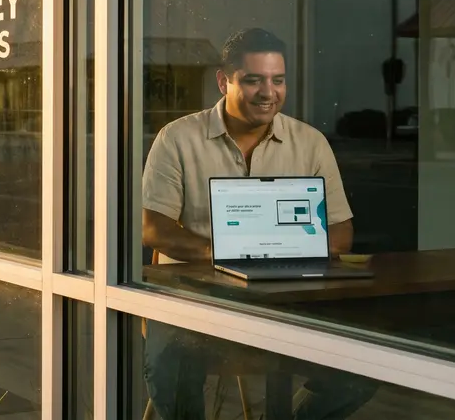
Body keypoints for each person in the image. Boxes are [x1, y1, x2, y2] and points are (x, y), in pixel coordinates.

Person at [141, 28, 376, 420]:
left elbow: (341, 232)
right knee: (172, 365)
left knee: (364, 366)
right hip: (192, 303)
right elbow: (154, 230)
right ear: (224, 82)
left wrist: (276, 255)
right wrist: (227, 253)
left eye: (277, 80)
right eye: (254, 80)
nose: (269, 92)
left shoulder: (310, 142)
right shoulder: (177, 139)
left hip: (286, 299)